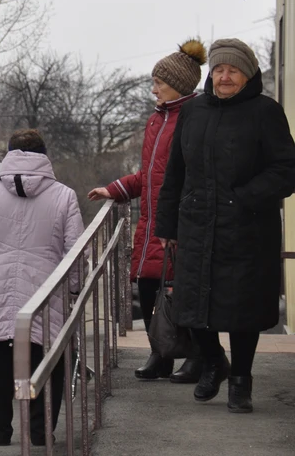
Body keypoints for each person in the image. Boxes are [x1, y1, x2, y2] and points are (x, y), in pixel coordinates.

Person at [155, 38, 295, 413]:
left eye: (233, 70)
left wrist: (245, 197)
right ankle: (214, 361)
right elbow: (175, 171)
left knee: (241, 307)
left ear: (247, 75)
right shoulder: (194, 111)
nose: (225, 76)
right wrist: (166, 225)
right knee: (192, 304)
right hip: (197, 223)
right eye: (218, 69)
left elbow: (286, 170)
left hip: (247, 227)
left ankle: (240, 381)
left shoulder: (266, 112)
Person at [0, 129, 84, 448]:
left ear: (8, 154)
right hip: (46, 288)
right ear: (45, 155)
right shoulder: (64, 195)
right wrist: (75, 287)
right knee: (44, 360)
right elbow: (76, 250)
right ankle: (40, 432)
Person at [88, 39, 206, 383]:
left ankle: (195, 354)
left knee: (181, 293)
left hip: (179, 224)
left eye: (159, 82)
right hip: (152, 222)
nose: (153, 89)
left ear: (179, 85)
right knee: (153, 290)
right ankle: (161, 353)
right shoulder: (157, 120)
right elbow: (149, 175)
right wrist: (115, 189)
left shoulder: (191, 119)